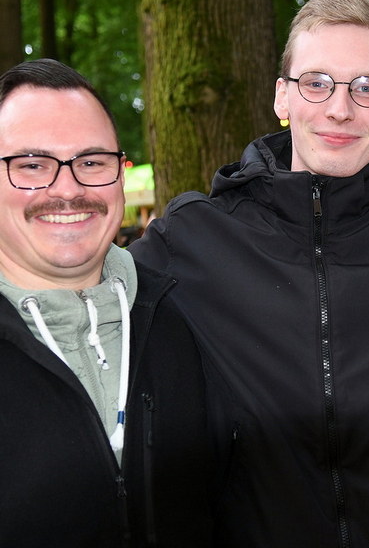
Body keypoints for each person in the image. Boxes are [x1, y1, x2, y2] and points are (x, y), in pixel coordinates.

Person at [130, 0, 369, 547]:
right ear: (283, 96)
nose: (339, 109)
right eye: (316, 83)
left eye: (366, 87)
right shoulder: (193, 237)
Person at [0, 59, 214, 547]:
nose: (68, 189)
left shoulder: (183, 318)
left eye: (92, 162)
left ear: (120, 172)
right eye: (31, 165)